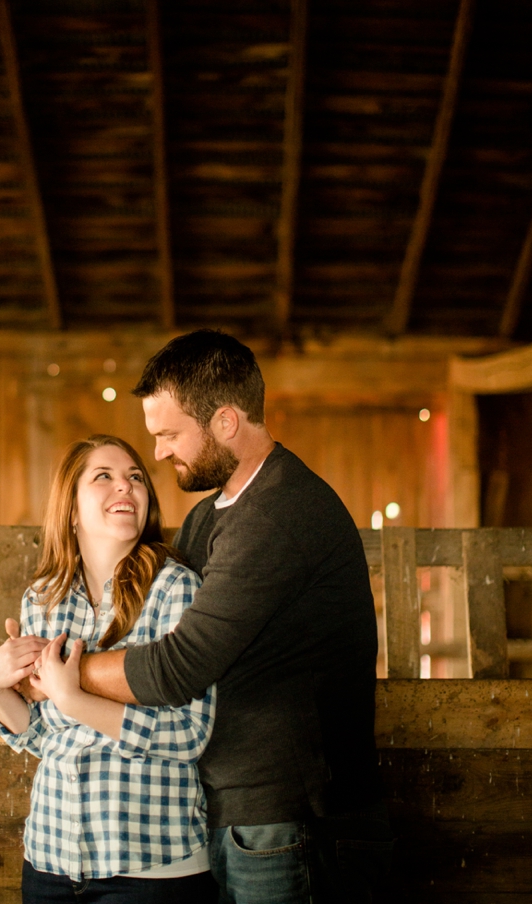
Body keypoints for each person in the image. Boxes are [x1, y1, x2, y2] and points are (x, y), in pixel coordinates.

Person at [73, 331, 390, 903]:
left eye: (170, 434)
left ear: (224, 422)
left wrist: (61, 675)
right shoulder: (208, 518)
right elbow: (153, 620)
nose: (161, 452)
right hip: (228, 806)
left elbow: (178, 666)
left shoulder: (279, 512)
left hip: (286, 812)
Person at [0, 435, 216, 903]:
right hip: (49, 860)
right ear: (70, 509)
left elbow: (190, 734)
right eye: (103, 477)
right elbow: (45, 737)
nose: (125, 488)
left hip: (150, 866)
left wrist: (73, 698)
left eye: (134, 478)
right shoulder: (43, 599)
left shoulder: (177, 590)